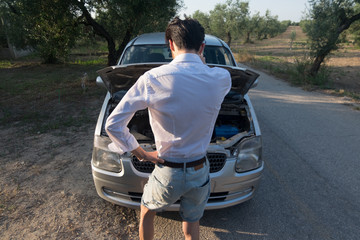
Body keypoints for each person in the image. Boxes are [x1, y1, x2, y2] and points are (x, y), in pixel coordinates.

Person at [105, 17, 231, 240]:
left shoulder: (152, 79)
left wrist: (140, 153)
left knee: (146, 211)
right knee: (192, 223)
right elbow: (205, 76)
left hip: (167, 170)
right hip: (200, 170)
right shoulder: (221, 78)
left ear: (170, 45)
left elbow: (113, 125)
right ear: (202, 47)